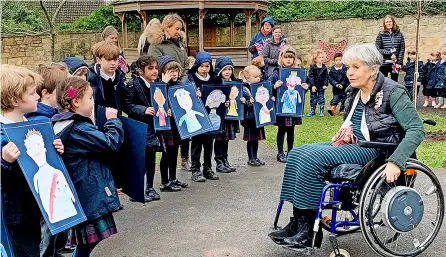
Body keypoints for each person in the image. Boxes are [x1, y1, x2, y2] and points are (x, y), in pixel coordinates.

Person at [268, 43, 425, 250]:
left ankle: (308, 233)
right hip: (356, 143)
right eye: (349, 67)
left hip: (377, 149)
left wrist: (396, 161)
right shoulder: (355, 90)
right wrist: (346, 129)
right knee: (297, 153)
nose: (349, 73)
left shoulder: (393, 91)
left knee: (311, 159)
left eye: (355, 67)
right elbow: (353, 120)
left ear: (372, 69)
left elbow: (416, 130)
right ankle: (299, 221)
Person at [53, 77, 123, 257]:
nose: (93, 101)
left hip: (87, 189)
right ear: (76, 102)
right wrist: (113, 121)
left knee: (91, 240)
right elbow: (109, 144)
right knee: (88, 241)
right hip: (88, 192)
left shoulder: (67, 123)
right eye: (90, 98)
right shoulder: (78, 128)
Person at [0, 64, 64, 257]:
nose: (37, 96)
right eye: (31, 93)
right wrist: (4, 161)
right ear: (14, 100)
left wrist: (56, 151)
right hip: (16, 214)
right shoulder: (3, 134)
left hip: (37, 205)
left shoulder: (36, 125)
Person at [147, 13, 191, 171]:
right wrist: (169, 78)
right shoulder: (156, 45)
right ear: (167, 27)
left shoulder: (180, 44)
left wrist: (182, 81)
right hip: (164, 89)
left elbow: (185, 64)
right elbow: (155, 67)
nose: (179, 31)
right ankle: (166, 176)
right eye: (176, 28)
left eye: (180, 29)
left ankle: (184, 159)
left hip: (180, 87)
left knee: (184, 127)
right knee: (170, 134)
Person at [123, 55, 163, 202]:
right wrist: (143, 109)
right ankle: (137, 190)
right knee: (140, 160)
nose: (154, 71)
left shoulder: (157, 84)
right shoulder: (133, 84)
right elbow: (127, 106)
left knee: (151, 158)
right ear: (140, 71)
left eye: (156, 68)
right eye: (150, 68)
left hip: (153, 127)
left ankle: (150, 187)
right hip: (139, 127)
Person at [269, 46, 308, 163]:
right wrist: (274, 86)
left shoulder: (299, 73)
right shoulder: (277, 72)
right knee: (282, 129)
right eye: (286, 57)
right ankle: (280, 152)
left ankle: (290, 152)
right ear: (282, 58)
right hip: (282, 107)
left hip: (294, 107)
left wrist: (306, 88)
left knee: (291, 130)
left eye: (291, 58)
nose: (288, 60)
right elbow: (269, 87)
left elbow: (302, 89)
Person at [157, 56, 189, 190]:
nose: (174, 73)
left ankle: (173, 178)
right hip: (166, 126)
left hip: (177, 125)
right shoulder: (159, 86)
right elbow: (158, 100)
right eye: (170, 70)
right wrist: (164, 83)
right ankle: (164, 181)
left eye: (176, 70)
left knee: (174, 151)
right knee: (166, 153)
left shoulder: (179, 86)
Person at [186, 51, 219, 182]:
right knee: (197, 143)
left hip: (210, 115)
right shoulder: (191, 79)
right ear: (197, 66)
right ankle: (195, 169)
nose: (204, 69)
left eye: (207, 66)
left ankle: (208, 168)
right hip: (197, 116)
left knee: (209, 143)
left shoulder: (213, 79)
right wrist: (194, 94)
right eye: (202, 66)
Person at [213, 56, 241, 173]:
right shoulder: (216, 82)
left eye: (229, 69)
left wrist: (244, 99)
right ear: (220, 70)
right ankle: (219, 162)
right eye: (224, 70)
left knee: (226, 139)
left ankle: (225, 160)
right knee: (220, 139)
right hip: (220, 116)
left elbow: (243, 94)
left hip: (230, 116)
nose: (227, 72)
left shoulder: (235, 83)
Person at [239, 65, 267, 166]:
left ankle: (255, 157)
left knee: (256, 139)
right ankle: (250, 158)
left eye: (258, 76)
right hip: (249, 118)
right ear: (247, 77)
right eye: (255, 77)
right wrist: (249, 102)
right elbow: (243, 103)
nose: (258, 78)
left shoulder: (259, 87)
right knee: (251, 139)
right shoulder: (244, 88)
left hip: (257, 117)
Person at [375, 15, 405, 82]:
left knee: (394, 82)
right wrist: (390, 54)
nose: (389, 23)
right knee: (382, 81)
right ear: (384, 24)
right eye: (387, 22)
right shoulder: (380, 35)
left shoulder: (399, 34)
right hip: (384, 63)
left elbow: (402, 49)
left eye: (390, 21)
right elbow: (378, 48)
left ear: (393, 22)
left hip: (395, 64)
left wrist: (399, 62)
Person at [307, 49, 329, 117]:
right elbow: (311, 77)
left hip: (321, 86)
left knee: (321, 98)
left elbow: (326, 76)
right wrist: (312, 85)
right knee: (313, 98)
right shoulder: (312, 67)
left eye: (322, 57)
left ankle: (321, 111)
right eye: (319, 57)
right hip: (314, 86)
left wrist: (325, 84)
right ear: (315, 59)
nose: (321, 59)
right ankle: (312, 111)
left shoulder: (324, 67)